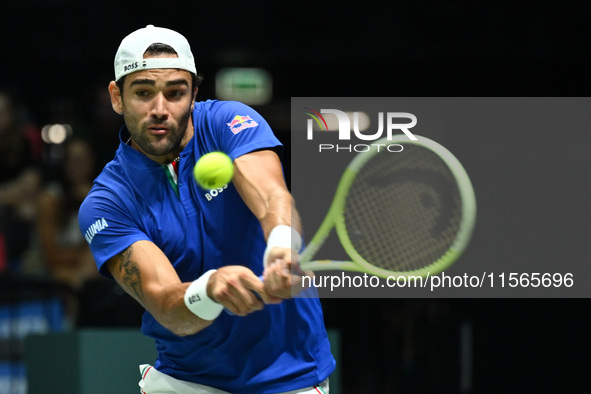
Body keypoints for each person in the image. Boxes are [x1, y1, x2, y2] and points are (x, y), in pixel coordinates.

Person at [78, 25, 335, 393]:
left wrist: (281, 249)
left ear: (195, 94)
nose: (160, 110)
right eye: (143, 93)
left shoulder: (228, 122)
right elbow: (167, 307)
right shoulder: (107, 203)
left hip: (289, 376)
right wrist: (210, 290)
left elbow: (271, 195)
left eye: (176, 93)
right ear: (117, 97)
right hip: (186, 381)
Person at [0, 89, 43, 274]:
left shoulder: (24, 142)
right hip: (13, 207)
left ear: (12, 114)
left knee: (34, 210)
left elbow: (31, 184)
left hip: (18, 209)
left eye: (3, 112)